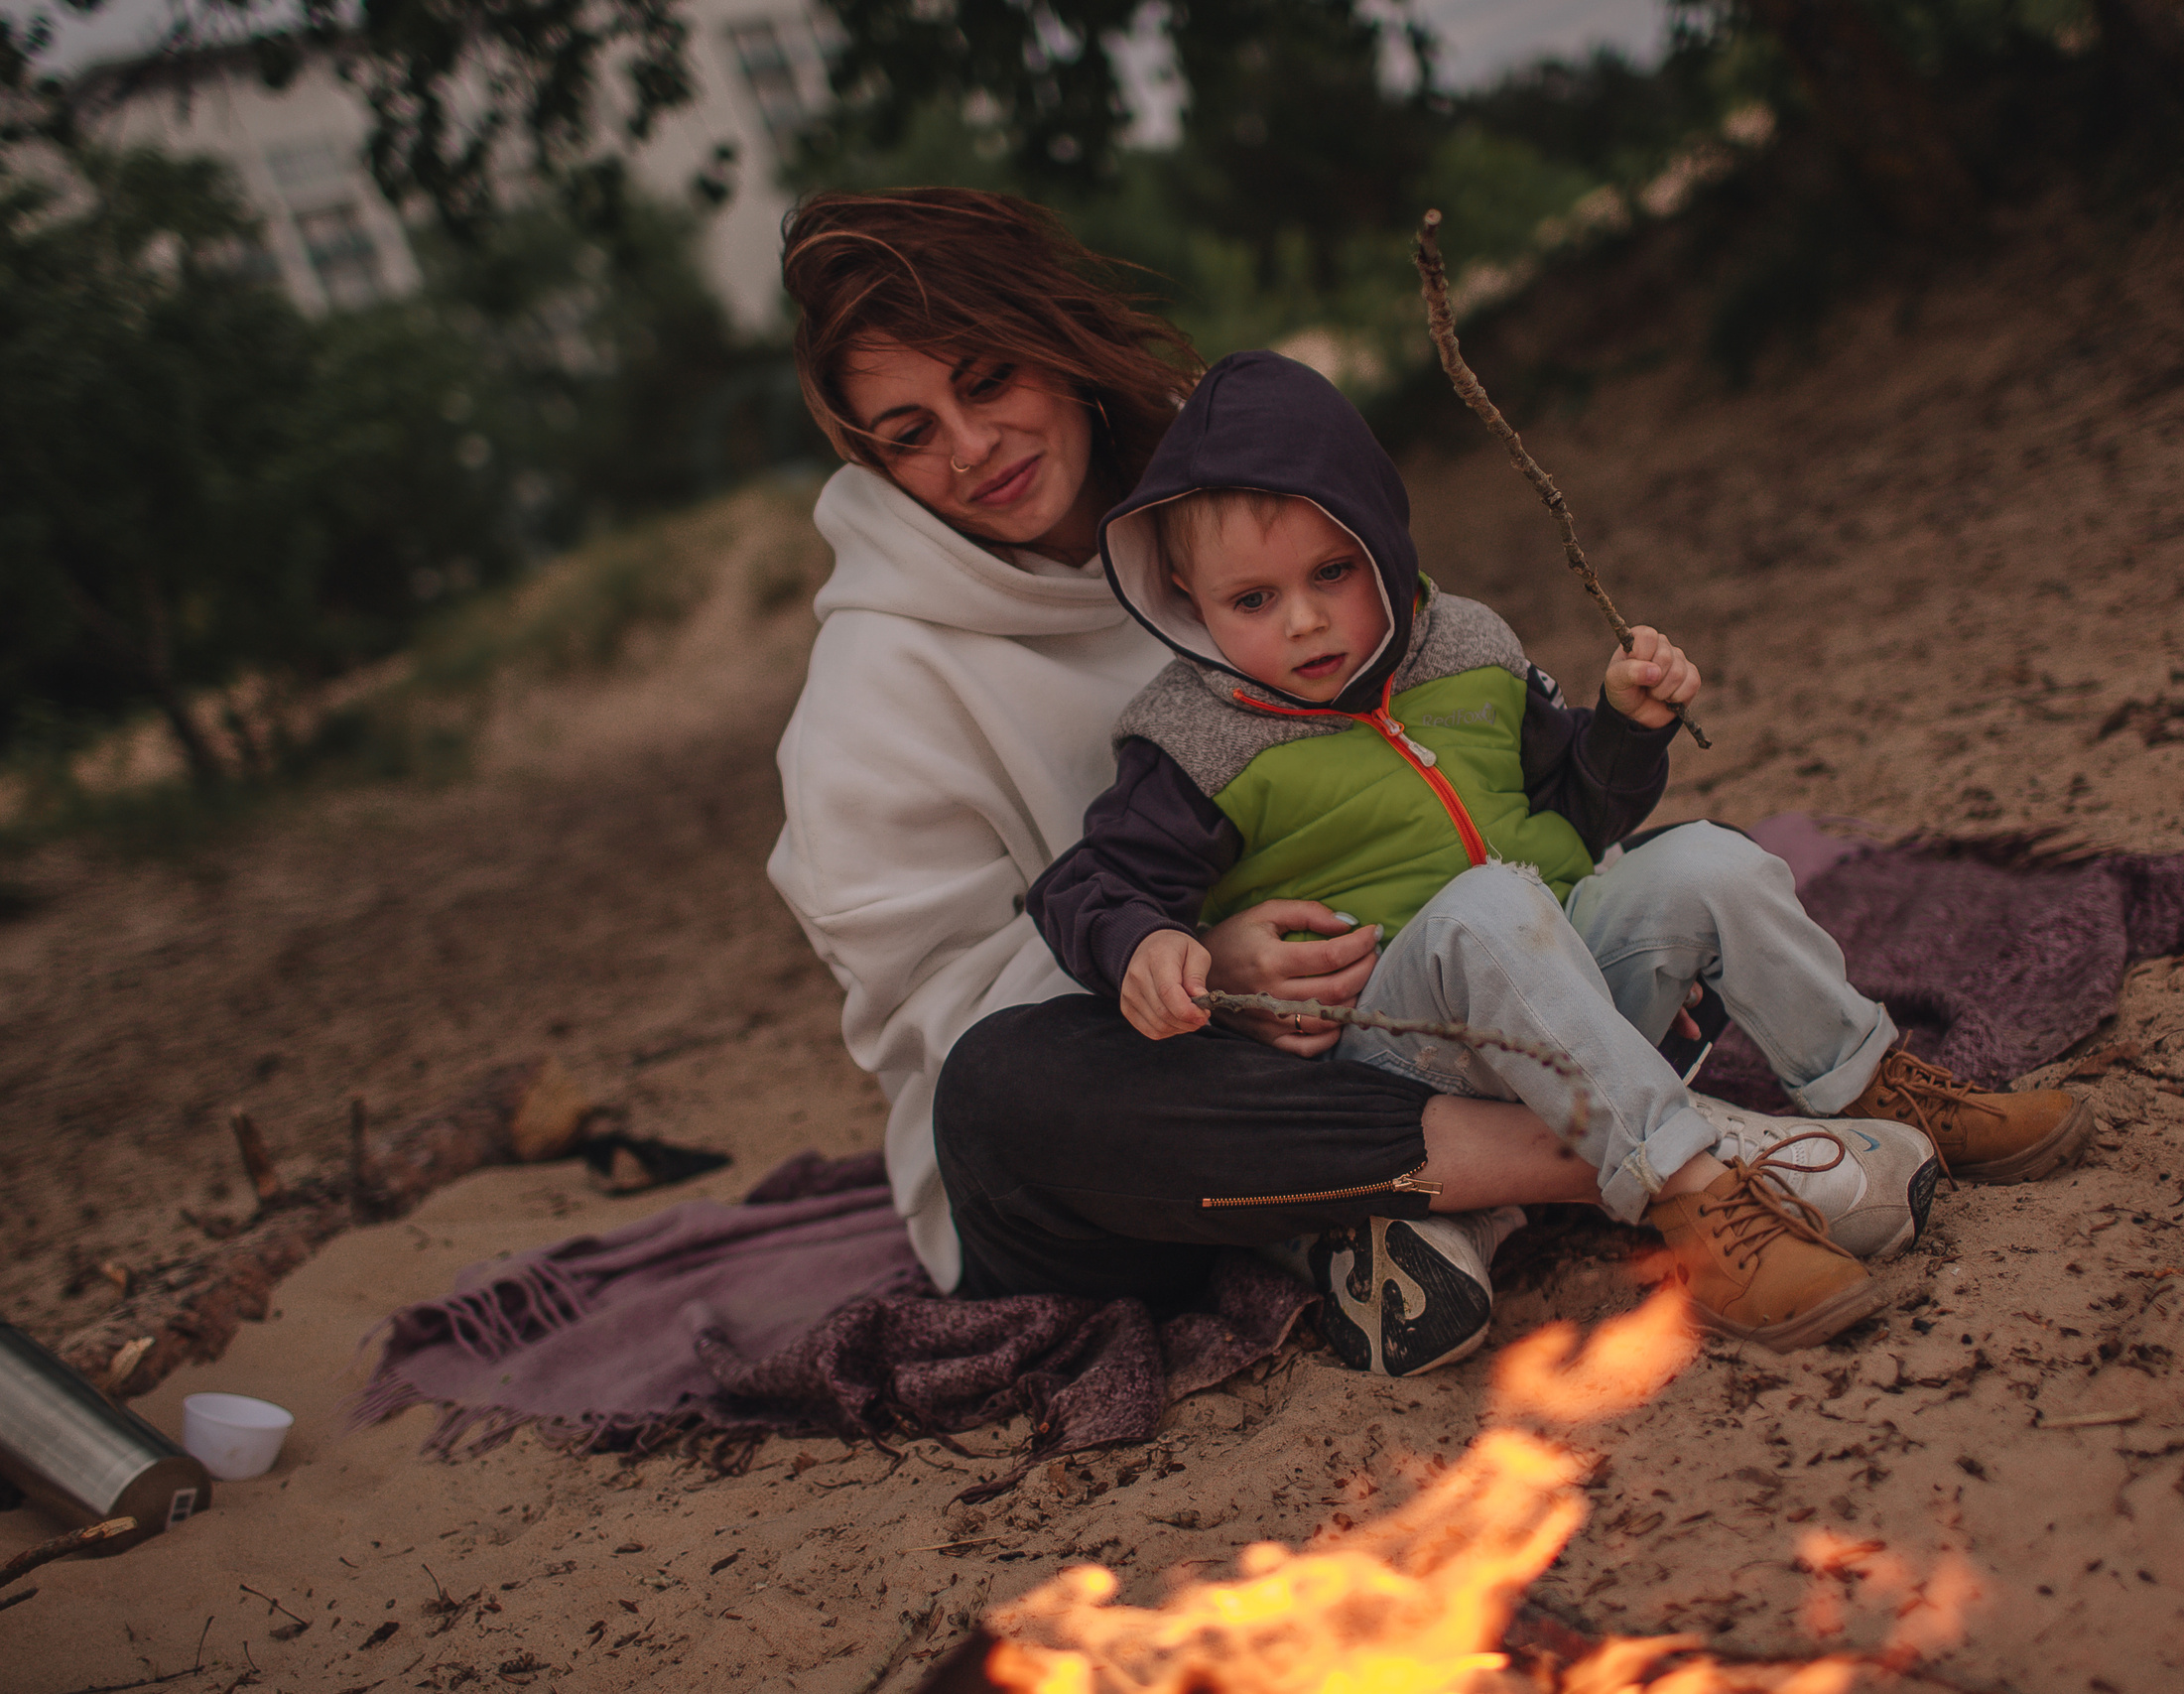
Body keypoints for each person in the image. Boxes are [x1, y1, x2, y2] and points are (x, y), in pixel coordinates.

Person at [767, 189, 2089, 1380]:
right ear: (873, 461)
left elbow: (1512, 776)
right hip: (1152, 1130)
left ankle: (1487, 1195)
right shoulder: (873, 694)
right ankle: (1687, 1152)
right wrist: (1204, 962)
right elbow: (942, 1032)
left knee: (1646, 876)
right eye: (909, 432)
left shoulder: (1230, 504)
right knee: (1006, 1084)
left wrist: (1616, 739)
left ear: (1055, 342)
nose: (971, 442)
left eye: (988, 377)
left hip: (1416, 1006)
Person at [1024, 350, 2087, 1363]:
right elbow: (1091, 885)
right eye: (1252, 601)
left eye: (1334, 572)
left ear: (1383, 539)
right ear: (1185, 598)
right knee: (1486, 904)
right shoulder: (1195, 741)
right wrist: (1144, 943)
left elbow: (1575, 815)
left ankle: (1871, 1083)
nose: (1304, 623)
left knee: (1711, 861)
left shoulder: (1467, 648)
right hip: (1399, 1055)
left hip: (1568, 1000)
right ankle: (1691, 1202)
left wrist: (1623, 731)